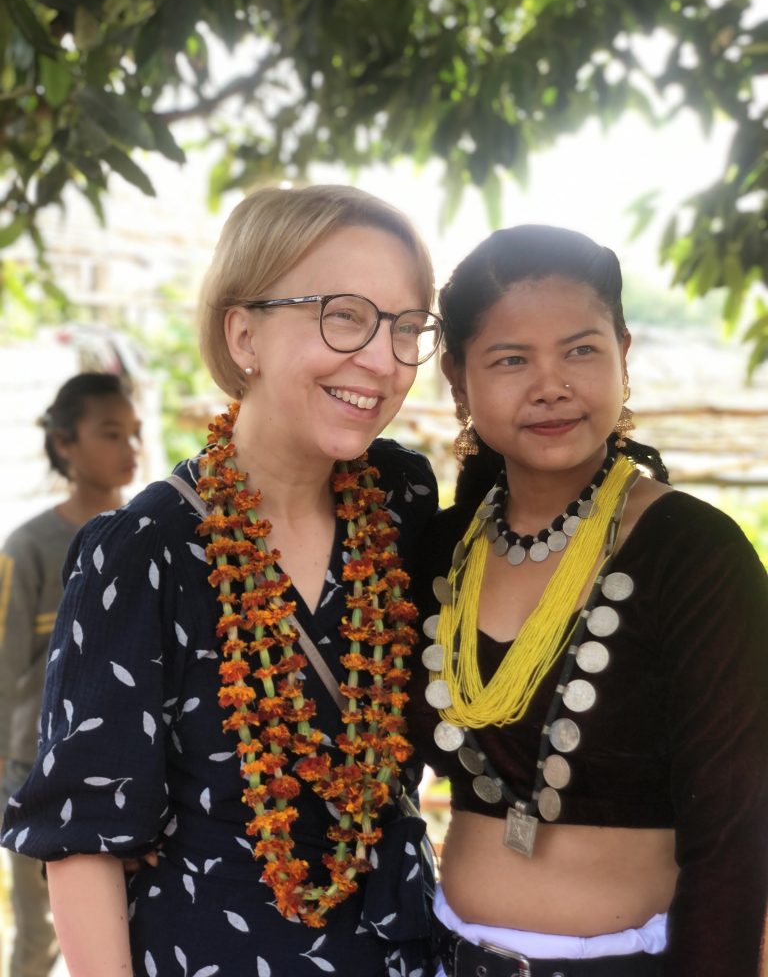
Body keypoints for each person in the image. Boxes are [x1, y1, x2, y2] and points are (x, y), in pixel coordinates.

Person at [2, 185, 443, 977]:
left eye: (407, 327)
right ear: (245, 332)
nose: (382, 359)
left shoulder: (401, 498)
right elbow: (83, 841)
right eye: (345, 315)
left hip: (401, 952)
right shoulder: (142, 551)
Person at [406, 224, 768, 977]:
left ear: (624, 354)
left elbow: (736, 834)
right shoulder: (434, 554)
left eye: (581, 350)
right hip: (445, 957)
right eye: (511, 360)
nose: (552, 385)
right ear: (457, 378)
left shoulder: (694, 554)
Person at [0, 372, 141, 977]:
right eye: (110, 433)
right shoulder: (28, 549)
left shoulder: (147, 538)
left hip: (128, 788)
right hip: (37, 781)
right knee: (40, 943)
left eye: (133, 433)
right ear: (65, 443)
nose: (129, 448)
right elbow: (4, 677)